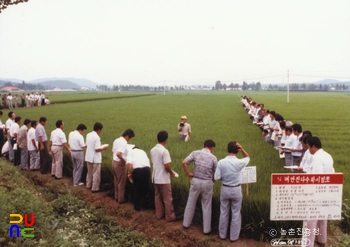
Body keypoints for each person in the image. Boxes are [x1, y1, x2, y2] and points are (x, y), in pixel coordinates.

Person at [214, 142, 250, 242]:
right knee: (236, 213)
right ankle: (234, 237)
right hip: (236, 189)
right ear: (237, 151)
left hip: (225, 188)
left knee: (224, 212)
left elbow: (216, 177)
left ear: (227, 150)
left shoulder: (221, 162)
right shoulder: (239, 162)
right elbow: (248, 157)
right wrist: (242, 149)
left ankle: (222, 235)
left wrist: (224, 178)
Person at [182, 139, 217, 234]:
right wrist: (212, 182)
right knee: (206, 206)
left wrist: (188, 173)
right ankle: (206, 230)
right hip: (207, 183)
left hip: (196, 181)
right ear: (212, 148)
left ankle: (186, 224)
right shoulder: (213, 158)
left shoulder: (195, 153)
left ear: (203, 145)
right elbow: (216, 173)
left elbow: (184, 162)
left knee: (190, 202)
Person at [305, 136, 334, 247]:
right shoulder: (327, 155)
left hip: (317, 191)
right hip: (327, 190)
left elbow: (317, 177)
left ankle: (308, 244)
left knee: (311, 219)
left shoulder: (317, 158)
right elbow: (332, 172)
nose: (308, 150)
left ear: (313, 147)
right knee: (322, 216)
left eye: (308, 148)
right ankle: (322, 240)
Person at [150, 130, 176, 222]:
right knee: (167, 198)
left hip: (155, 177)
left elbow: (153, 162)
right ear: (166, 140)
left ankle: (159, 215)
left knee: (157, 196)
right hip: (163, 179)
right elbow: (166, 166)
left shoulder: (152, 150)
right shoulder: (164, 151)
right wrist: (172, 173)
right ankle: (169, 217)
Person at [112, 129, 135, 203]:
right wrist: (124, 160)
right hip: (119, 164)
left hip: (114, 162)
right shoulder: (124, 142)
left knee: (116, 180)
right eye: (130, 138)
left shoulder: (116, 140)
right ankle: (121, 199)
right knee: (121, 182)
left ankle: (116, 197)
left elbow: (113, 152)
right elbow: (118, 153)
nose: (129, 140)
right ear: (127, 136)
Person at [85, 122, 108, 192]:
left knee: (89, 172)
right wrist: (104, 148)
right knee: (96, 173)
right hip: (95, 158)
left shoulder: (88, 135)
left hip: (88, 156)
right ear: (99, 129)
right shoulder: (97, 137)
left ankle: (88, 185)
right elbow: (97, 149)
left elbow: (89, 144)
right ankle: (95, 188)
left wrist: (100, 145)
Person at [126, 146, 151, 211]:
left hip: (138, 171)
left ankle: (137, 207)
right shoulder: (143, 152)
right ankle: (145, 205)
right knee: (145, 188)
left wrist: (129, 172)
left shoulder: (130, 152)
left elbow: (129, 164)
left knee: (137, 188)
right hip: (147, 170)